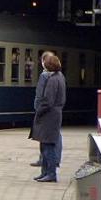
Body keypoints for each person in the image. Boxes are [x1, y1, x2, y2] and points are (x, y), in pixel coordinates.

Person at [31, 53, 66, 183]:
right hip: (54, 114)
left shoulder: (52, 80)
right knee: (46, 144)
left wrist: (39, 110)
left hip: (49, 116)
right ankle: (45, 172)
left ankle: (50, 173)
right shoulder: (60, 77)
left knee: (48, 145)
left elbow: (48, 100)